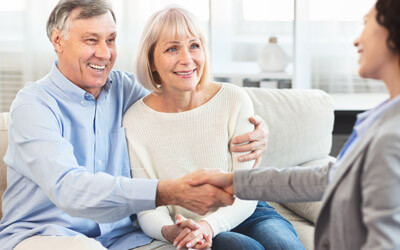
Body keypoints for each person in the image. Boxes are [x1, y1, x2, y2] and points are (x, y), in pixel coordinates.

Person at [0, 1, 268, 249]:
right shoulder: (33, 106)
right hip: (45, 235)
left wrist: (258, 131)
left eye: (111, 40)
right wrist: (165, 191)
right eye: (91, 40)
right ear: (58, 40)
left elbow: (188, 105)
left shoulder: (127, 90)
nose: (104, 53)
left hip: (125, 239)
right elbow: (69, 189)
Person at [190, 0, 400, 249]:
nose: (356, 40)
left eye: (367, 23)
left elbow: (385, 239)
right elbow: (330, 178)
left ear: (393, 32)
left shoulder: (391, 136)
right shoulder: (381, 118)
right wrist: (236, 181)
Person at [123, 6, 304, 250]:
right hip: (190, 225)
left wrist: (210, 225)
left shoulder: (234, 99)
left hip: (248, 211)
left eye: (194, 46)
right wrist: (173, 231)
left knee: (286, 247)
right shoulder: (135, 120)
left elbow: (246, 191)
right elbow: (148, 206)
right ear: (151, 60)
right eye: (172, 48)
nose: (187, 59)